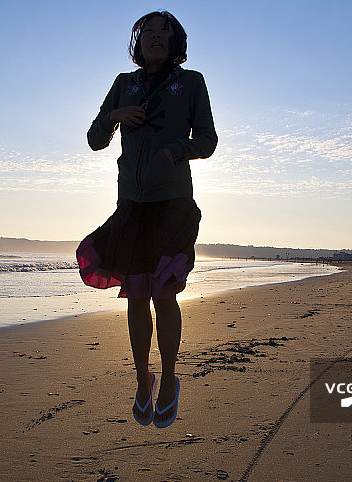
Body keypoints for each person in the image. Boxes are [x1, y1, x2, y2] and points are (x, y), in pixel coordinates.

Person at [76, 10, 217, 428]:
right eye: (148, 32)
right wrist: (116, 116)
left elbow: (207, 141)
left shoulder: (191, 82)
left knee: (164, 294)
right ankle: (143, 378)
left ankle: (171, 378)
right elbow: (94, 139)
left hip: (172, 203)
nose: (156, 37)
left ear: (176, 41)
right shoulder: (125, 84)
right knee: (136, 297)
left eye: (164, 32)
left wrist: (179, 149)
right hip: (131, 206)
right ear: (137, 41)